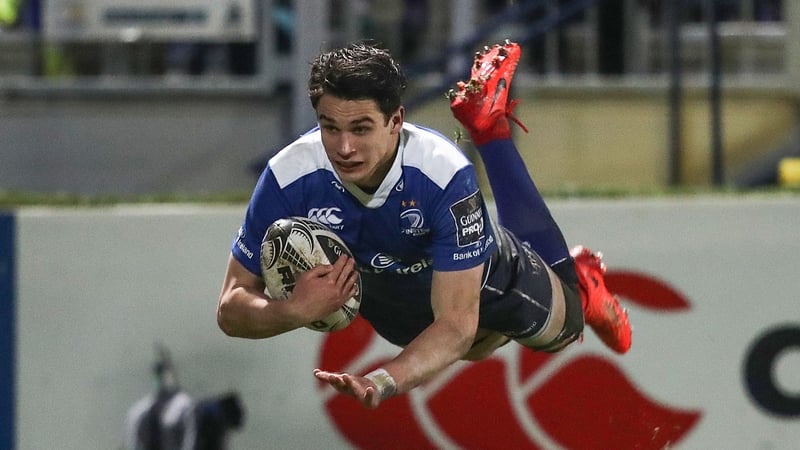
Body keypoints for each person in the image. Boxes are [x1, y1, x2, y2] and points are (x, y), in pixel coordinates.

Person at [216, 40, 631, 410]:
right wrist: (293, 310)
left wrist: (382, 381)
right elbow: (231, 306)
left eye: (361, 129)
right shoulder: (288, 176)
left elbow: (454, 327)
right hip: (402, 314)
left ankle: (491, 133)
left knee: (563, 329)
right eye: (330, 127)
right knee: (477, 350)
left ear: (396, 120)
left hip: (484, 285)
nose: (344, 147)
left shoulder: (441, 173)